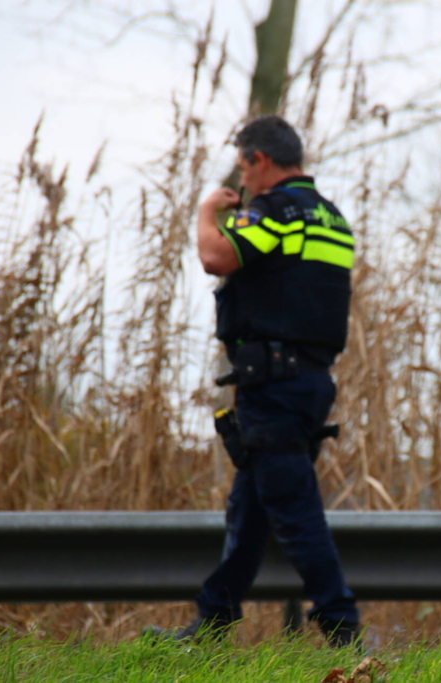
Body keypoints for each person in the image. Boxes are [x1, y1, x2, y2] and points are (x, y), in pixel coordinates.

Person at [146, 115, 359, 646]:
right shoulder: (332, 218)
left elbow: (215, 256)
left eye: (243, 167)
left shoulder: (276, 210)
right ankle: (211, 623)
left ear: (260, 160)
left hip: (274, 387)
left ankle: (344, 631)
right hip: (309, 383)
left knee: (294, 511)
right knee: (250, 509)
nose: (241, 181)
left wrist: (206, 212)